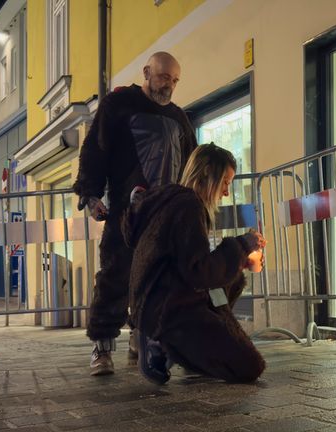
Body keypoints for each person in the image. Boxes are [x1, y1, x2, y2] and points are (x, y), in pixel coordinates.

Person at [73, 52, 197, 375]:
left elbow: (192, 165)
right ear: (146, 72)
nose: (168, 85)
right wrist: (90, 193)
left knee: (158, 280)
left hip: (165, 217)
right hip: (125, 215)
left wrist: (195, 204)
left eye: (174, 80)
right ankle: (101, 348)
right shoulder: (118, 106)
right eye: (163, 77)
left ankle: (141, 337)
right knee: (115, 276)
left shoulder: (180, 119)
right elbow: (95, 149)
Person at [122, 144, 267, 384]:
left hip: (160, 299)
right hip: (168, 309)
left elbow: (190, 264)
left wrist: (241, 257)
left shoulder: (176, 201)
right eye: (225, 183)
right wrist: (241, 245)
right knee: (249, 366)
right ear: (208, 174)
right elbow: (199, 272)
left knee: (235, 280)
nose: (226, 193)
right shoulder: (188, 206)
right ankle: (161, 343)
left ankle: (185, 348)